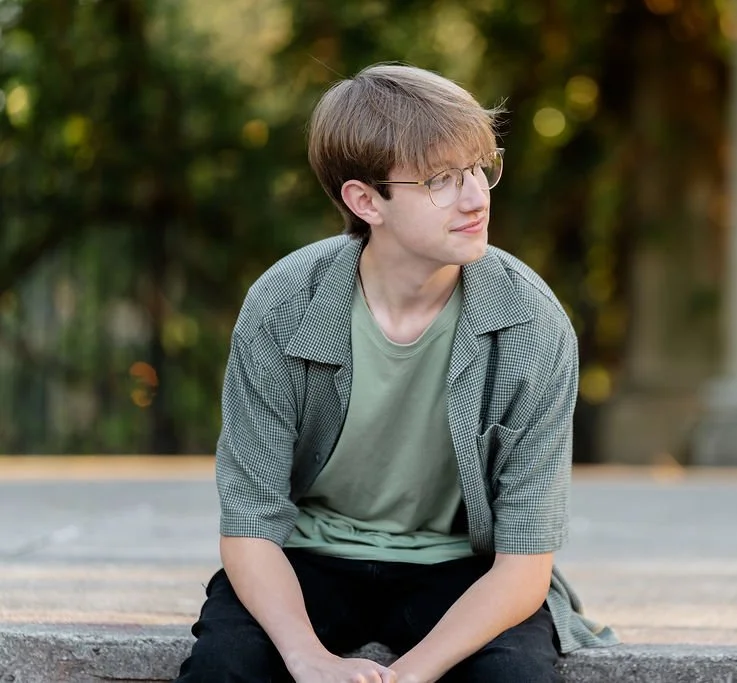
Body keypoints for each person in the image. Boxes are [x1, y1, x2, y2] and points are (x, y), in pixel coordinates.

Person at [173, 62, 617, 683]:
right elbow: (250, 523)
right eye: (439, 180)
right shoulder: (285, 305)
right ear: (364, 200)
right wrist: (308, 660)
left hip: (464, 568)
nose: (474, 198)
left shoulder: (529, 323)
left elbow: (524, 564)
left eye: (478, 170)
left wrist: (411, 675)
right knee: (225, 669)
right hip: (309, 558)